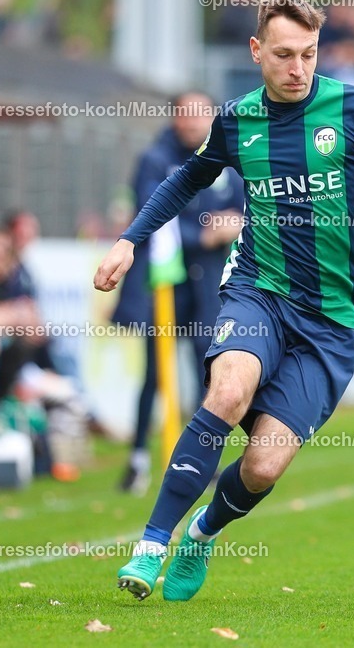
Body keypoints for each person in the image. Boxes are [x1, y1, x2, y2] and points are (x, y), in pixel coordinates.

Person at [94, 0, 354, 602]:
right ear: (256, 51)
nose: (298, 67)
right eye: (283, 54)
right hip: (258, 291)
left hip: (329, 322)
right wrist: (129, 240)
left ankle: (202, 532)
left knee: (264, 466)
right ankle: (150, 546)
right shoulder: (237, 119)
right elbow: (183, 180)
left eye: (308, 54)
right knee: (227, 391)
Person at [111, 91, 245, 495]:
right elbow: (150, 215)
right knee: (155, 372)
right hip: (164, 284)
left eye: (200, 114)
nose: (192, 122)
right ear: (174, 119)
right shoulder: (155, 160)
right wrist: (203, 233)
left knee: (209, 370)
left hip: (209, 284)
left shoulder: (228, 157)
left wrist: (234, 223)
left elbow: (247, 208)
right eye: (184, 115)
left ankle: (202, 459)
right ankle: (137, 458)